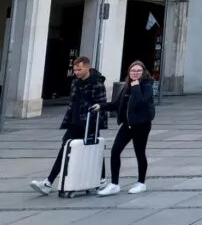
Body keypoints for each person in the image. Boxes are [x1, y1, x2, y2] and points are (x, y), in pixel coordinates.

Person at [31, 56, 108, 195]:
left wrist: (96, 123)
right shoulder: (75, 83)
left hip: (90, 123)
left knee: (95, 150)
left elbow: (102, 105)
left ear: (87, 67)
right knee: (64, 150)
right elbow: (72, 103)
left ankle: (102, 178)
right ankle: (48, 182)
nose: (77, 72)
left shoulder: (97, 84)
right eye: (75, 69)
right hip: (74, 122)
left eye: (79, 69)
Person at [95, 60, 155, 196]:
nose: (135, 73)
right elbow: (117, 104)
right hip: (126, 125)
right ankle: (114, 184)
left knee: (140, 153)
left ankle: (141, 183)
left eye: (139, 71)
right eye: (133, 71)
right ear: (129, 72)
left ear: (144, 72)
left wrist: (135, 85)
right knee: (115, 150)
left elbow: (140, 101)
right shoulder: (126, 87)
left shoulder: (147, 86)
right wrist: (101, 106)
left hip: (141, 125)